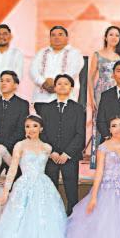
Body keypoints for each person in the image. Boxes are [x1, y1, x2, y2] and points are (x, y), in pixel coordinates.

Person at [36, 74, 86, 213]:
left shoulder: (78, 109)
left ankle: (72, 218)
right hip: (50, 156)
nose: (62, 86)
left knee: (72, 191)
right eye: (59, 83)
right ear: (55, 87)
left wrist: (67, 153)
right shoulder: (46, 108)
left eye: (66, 83)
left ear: (71, 88)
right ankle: (51, 216)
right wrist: (51, 152)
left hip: (70, 157)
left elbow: (80, 134)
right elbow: (42, 133)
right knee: (50, 189)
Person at [87, 25, 120, 165]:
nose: (114, 37)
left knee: (118, 123)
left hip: (118, 92)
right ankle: (99, 161)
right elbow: (90, 78)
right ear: (105, 37)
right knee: (101, 124)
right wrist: (91, 98)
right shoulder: (97, 55)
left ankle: (117, 160)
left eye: (117, 35)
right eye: (111, 34)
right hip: (101, 92)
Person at [0, 70, 29, 180]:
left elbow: (21, 130)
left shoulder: (22, 104)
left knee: (12, 184)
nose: (3, 83)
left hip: (13, 151)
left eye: (8, 81)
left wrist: (5, 147)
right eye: (1, 81)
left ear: (15, 85)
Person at [30, 25, 84, 104]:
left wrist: (55, 83)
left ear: (67, 37)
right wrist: (43, 82)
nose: (56, 37)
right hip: (41, 97)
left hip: (64, 99)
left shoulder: (75, 53)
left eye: (60, 34)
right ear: (50, 38)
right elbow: (33, 70)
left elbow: (72, 72)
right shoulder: (41, 52)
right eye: (53, 35)